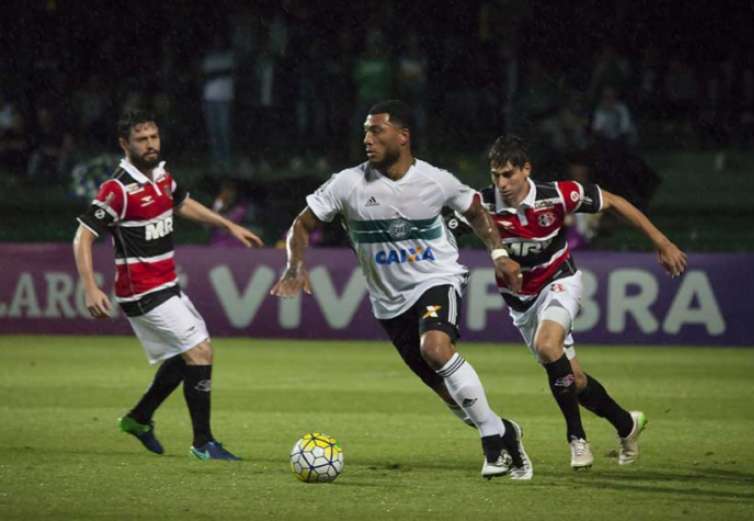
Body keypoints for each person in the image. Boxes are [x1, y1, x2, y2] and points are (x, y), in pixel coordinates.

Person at [270, 100, 533, 480]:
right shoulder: (347, 183)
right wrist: (294, 265)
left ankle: (492, 443)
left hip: (436, 280)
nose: (367, 138)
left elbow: (476, 210)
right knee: (449, 394)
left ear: (403, 136)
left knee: (436, 349)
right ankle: (503, 429)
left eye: (376, 130)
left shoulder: (435, 180)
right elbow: (302, 223)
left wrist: (498, 253)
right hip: (389, 304)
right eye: (365, 131)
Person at [455, 134, 687, 470]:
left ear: (526, 170)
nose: (502, 183)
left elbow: (615, 202)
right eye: (496, 175)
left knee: (548, 346)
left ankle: (576, 438)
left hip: (560, 280)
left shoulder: (557, 195)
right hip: (521, 302)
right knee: (573, 380)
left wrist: (661, 242)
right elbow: (439, 230)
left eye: (509, 174)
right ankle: (627, 424)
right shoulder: (483, 206)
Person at [73, 109, 263, 461]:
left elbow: (182, 203)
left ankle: (139, 418)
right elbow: (82, 237)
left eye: (153, 137)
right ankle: (203, 443)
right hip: (141, 291)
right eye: (141, 139)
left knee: (186, 356)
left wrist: (228, 225)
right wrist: (90, 287)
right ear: (124, 143)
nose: (150, 145)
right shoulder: (117, 189)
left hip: (167, 284)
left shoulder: (161, 175)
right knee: (201, 351)